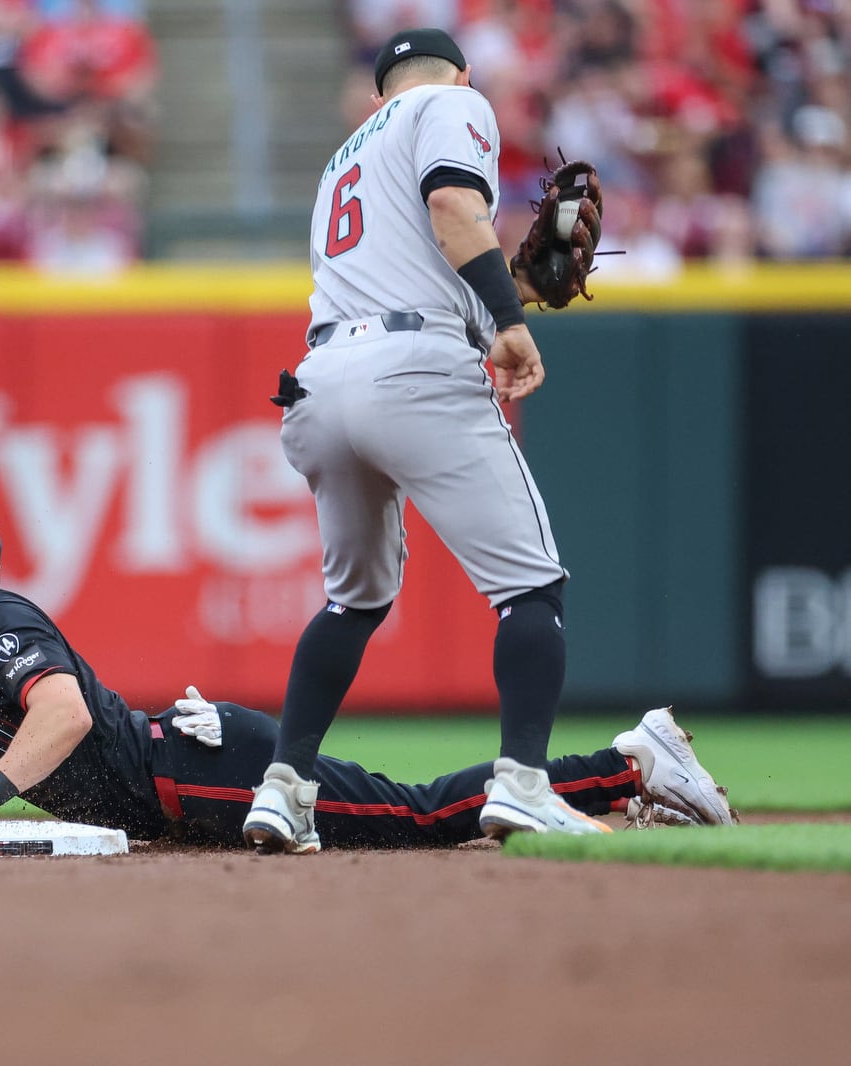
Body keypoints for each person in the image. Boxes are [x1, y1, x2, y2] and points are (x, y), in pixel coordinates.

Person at [0, 500, 734, 858]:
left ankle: (628, 762)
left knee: (423, 818)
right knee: (416, 814)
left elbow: (66, 710)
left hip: (196, 769)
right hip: (176, 791)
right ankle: (625, 765)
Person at [243, 27, 615, 855]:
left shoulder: (345, 158)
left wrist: (508, 289)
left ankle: (284, 788)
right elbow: (454, 209)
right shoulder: (455, 102)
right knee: (531, 587)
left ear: (379, 93)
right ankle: (522, 783)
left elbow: (427, 269)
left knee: (354, 600)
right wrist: (514, 323)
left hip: (319, 379)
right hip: (412, 370)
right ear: (462, 74)